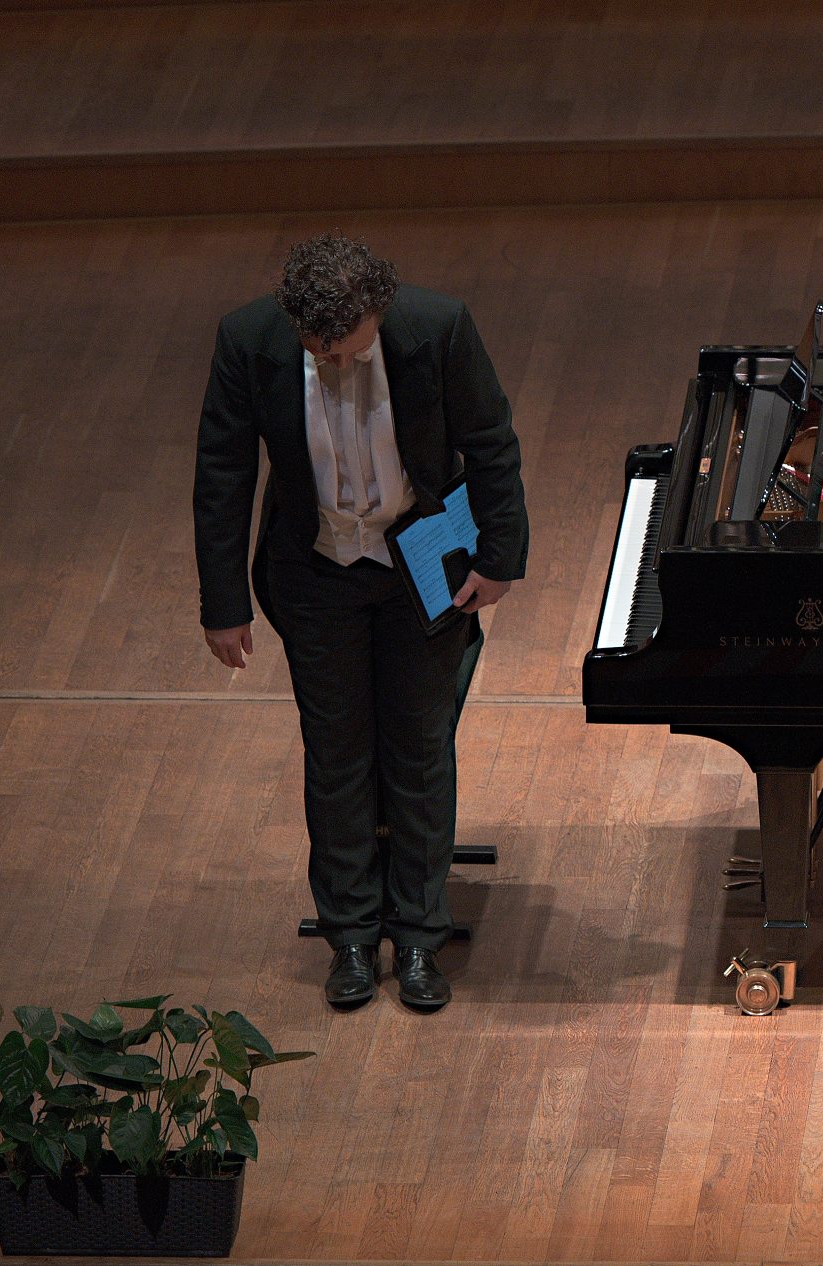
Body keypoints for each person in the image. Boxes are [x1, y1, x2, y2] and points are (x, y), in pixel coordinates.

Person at [194, 234, 527, 1012]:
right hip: (314, 572)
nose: (334, 363)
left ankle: (418, 938)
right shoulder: (249, 339)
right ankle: (349, 935)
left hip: (422, 557)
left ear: (380, 312)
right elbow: (223, 469)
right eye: (320, 353)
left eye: (349, 350)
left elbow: (490, 443)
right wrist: (223, 603)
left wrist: (499, 557)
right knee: (337, 752)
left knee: (419, 749)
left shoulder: (438, 327)